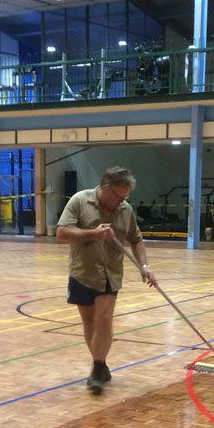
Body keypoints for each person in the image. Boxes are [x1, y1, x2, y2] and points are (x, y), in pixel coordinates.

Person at [56, 166, 157, 395]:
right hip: (83, 272)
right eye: (118, 196)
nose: (121, 201)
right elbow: (62, 233)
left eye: (125, 197)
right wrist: (93, 234)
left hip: (110, 274)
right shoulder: (79, 201)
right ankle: (101, 365)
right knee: (89, 322)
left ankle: (97, 367)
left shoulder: (125, 210)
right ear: (105, 188)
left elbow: (136, 239)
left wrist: (144, 266)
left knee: (103, 319)